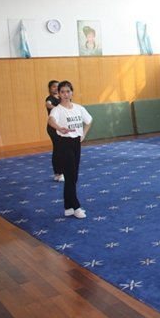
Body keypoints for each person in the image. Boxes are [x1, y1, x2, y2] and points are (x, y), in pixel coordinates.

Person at [48, 81, 92, 219]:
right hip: (64, 143)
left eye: (68, 91)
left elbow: (89, 120)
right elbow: (51, 120)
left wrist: (83, 134)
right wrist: (59, 128)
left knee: (73, 175)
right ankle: (76, 206)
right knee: (70, 175)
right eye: (62, 92)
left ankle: (68, 206)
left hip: (75, 142)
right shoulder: (57, 110)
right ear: (59, 94)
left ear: (72, 92)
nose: (66, 94)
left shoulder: (78, 108)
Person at [45, 80, 63, 182]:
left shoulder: (61, 99)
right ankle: (59, 173)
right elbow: (48, 104)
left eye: (57, 86)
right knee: (58, 149)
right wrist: (56, 109)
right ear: (50, 88)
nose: (56, 88)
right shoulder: (50, 98)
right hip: (53, 127)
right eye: (54, 86)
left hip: (61, 127)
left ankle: (58, 173)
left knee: (59, 149)